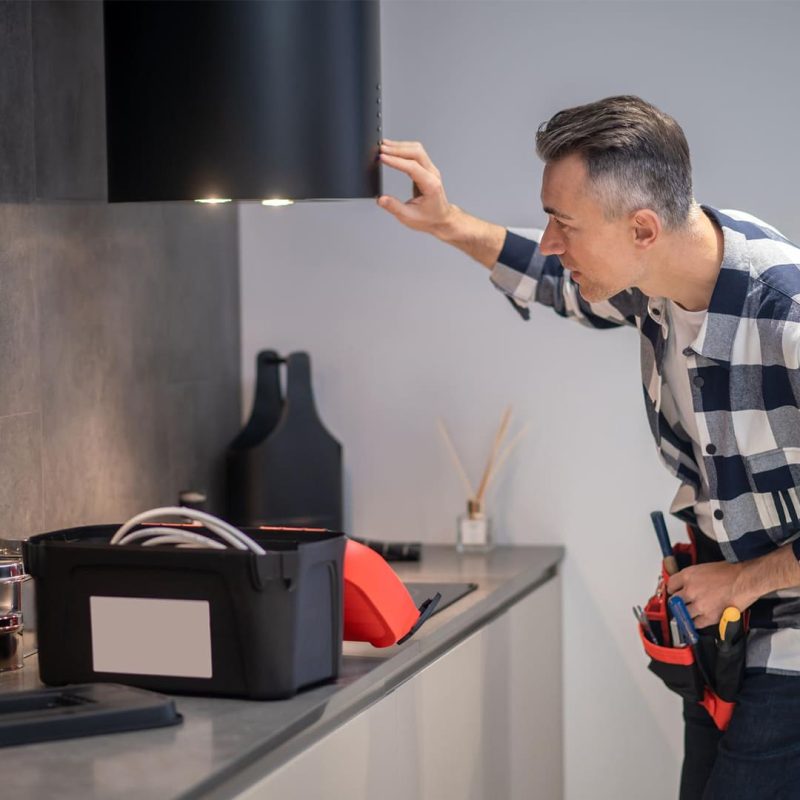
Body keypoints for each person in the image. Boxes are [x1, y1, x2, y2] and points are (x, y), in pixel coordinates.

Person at [376, 95, 800, 800]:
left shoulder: (785, 316)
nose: (549, 239)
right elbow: (556, 283)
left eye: (562, 223)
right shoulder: (660, 273)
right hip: (731, 640)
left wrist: (743, 581)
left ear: (640, 227)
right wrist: (449, 223)